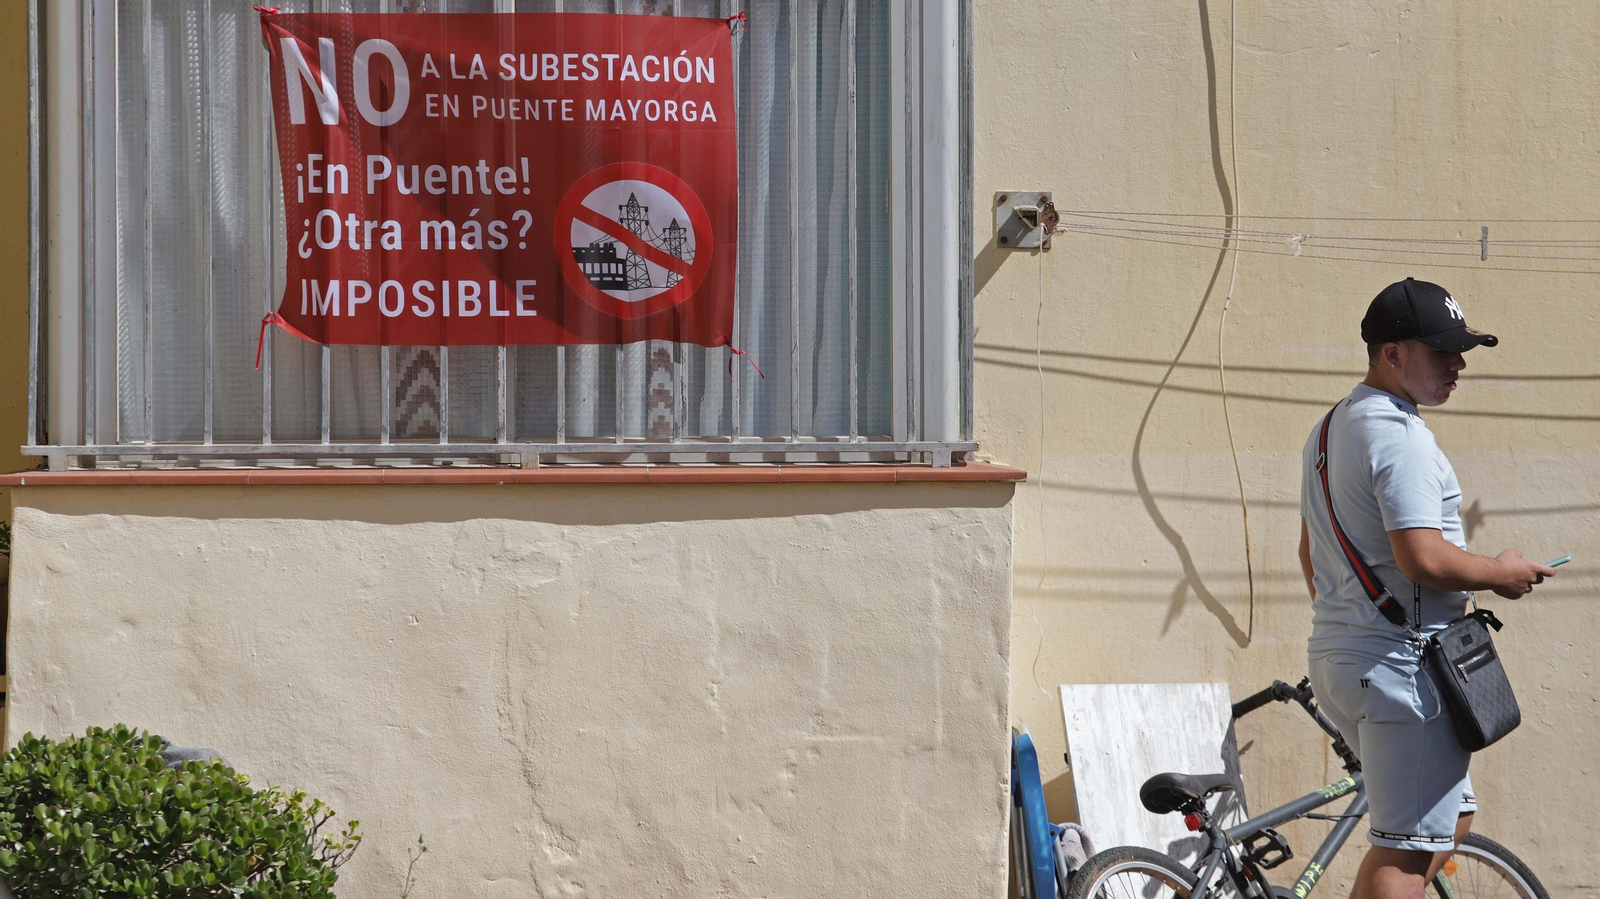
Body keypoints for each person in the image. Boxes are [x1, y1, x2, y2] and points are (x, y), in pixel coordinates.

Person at [1296, 277, 1556, 899]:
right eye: (1442, 351)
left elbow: (1310, 553)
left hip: (1343, 659)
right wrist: (1502, 571)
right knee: (1407, 853)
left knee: (1447, 822)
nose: (1458, 364)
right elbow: (1423, 558)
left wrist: (1357, 625)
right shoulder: (1400, 437)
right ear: (1393, 354)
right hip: (1400, 668)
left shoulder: (1332, 428)